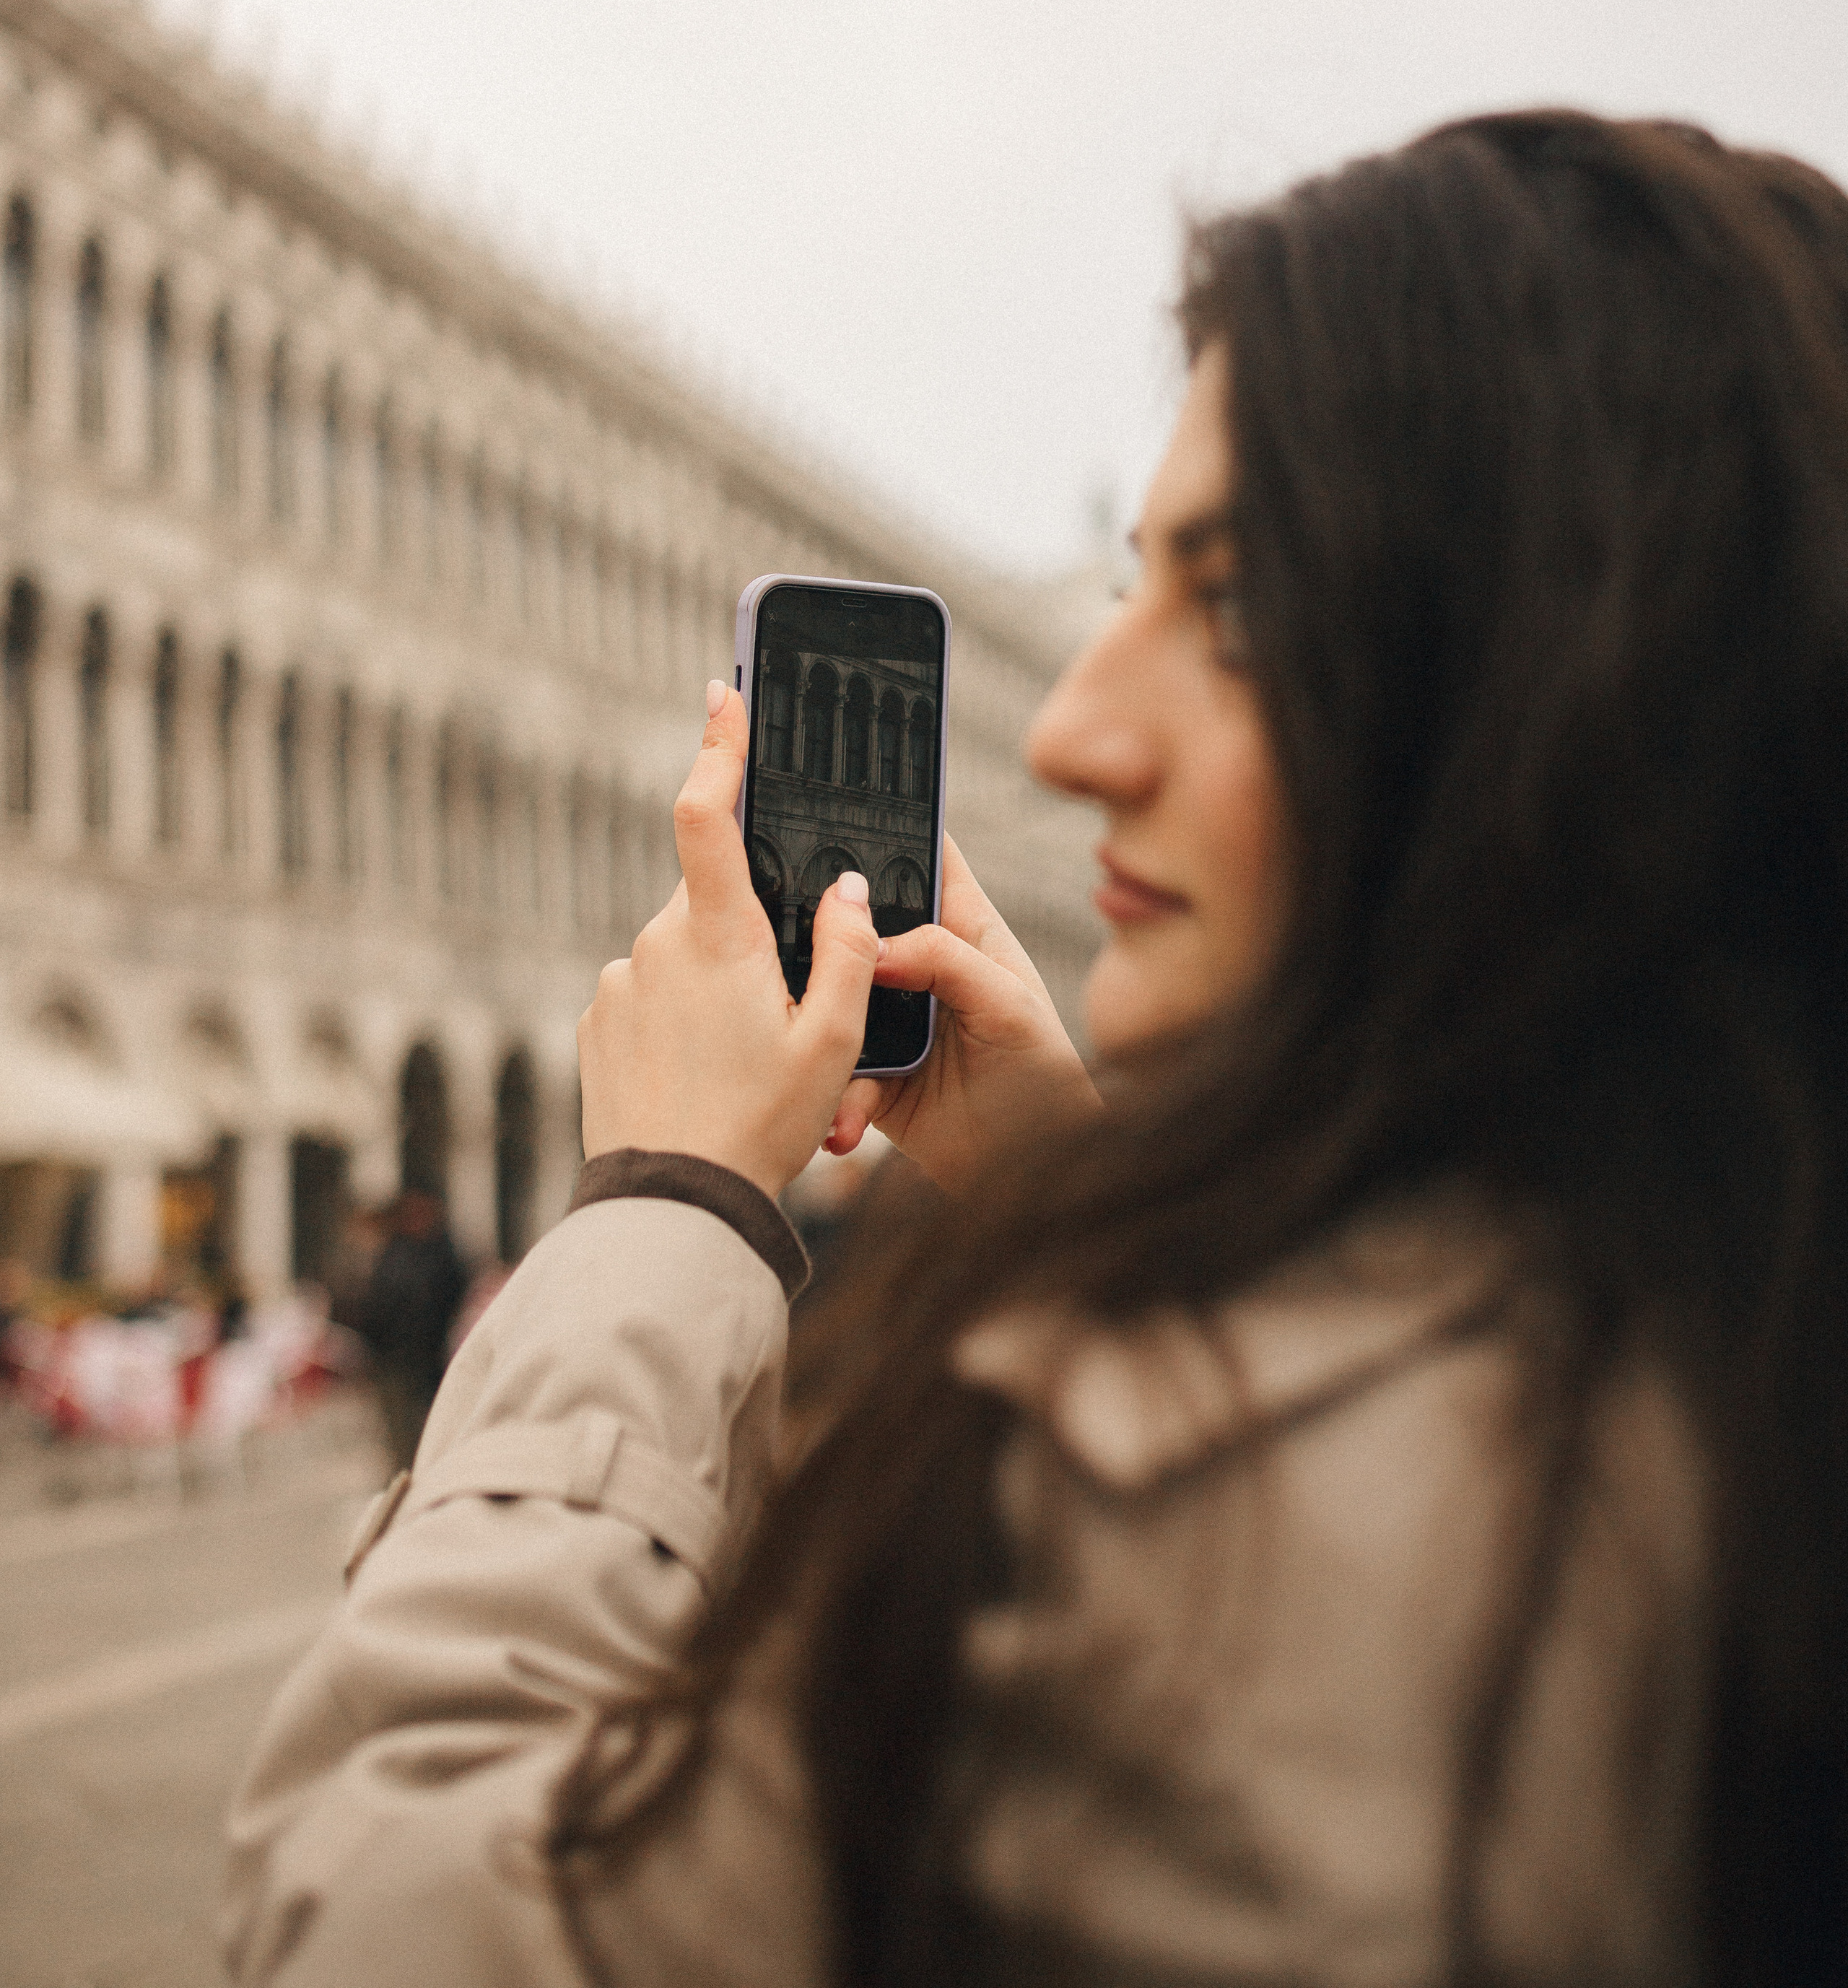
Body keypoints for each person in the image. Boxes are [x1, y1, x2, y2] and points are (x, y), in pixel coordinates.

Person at [223, 110, 1848, 1986]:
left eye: (1231, 611)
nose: (1072, 734)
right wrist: (1092, 1205)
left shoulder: (1142, 1545)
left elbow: (377, 1920)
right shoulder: (1725, 1378)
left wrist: (658, 1217)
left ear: (1585, 688)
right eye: (1125, 593)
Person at [357, 1191, 468, 1473]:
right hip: (402, 1361)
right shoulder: (405, 1255)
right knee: (403, 1438)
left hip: (417, 1360)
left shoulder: (427, 1256)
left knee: (417, 1435)